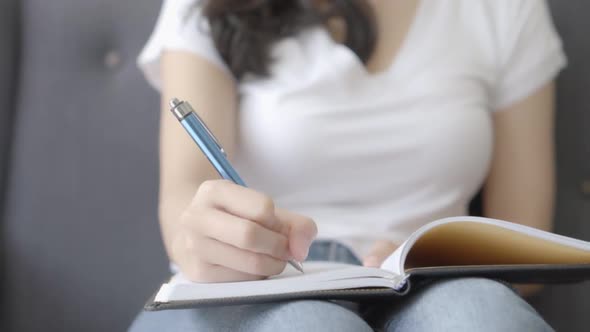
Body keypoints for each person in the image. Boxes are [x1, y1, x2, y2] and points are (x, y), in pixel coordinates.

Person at [131, 0, 565, 330]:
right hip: (250, 285)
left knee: (479, 315)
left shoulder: (504, 10)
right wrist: (205, 241)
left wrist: (424, 265)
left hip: (429, 282)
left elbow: (523, 244)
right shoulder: (204, 6)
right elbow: (182, 198)